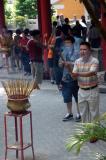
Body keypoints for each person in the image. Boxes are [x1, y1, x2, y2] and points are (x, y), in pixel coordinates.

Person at [65, 42, 99, 123]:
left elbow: (91, 73)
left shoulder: (94, 61)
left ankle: (95, 135)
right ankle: (85, 134)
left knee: (94, 114)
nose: (82, 51)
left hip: (92, 90)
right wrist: (69, 68)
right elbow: (74, 76)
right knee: (83, 114)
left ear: (89, 50)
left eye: (84, 49)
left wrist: (77, 74)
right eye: (80, 49)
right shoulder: (77, 61)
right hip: (81, 91)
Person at [59, 35, 81, 122]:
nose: (67, 44)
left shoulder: (77, 53)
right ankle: (69, 113)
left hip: (75, 77)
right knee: (67, 97)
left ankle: (79, 113)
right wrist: (61, 64)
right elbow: (60, 64)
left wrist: (70, 63)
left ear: (72, 43)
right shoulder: (63, 52)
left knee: (77, 96)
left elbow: (79, 63)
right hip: (65, 78)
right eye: (65, 43)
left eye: (68, 42)